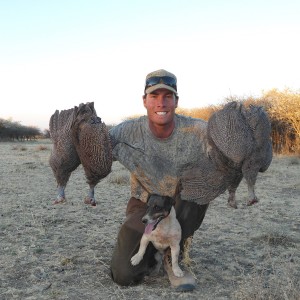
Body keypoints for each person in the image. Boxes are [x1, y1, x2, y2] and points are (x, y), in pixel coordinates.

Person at [109, 69, 209, 291]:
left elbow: (226, 152)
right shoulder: (126, 131)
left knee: (200, 186)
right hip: (144, 204)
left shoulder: (198, 130)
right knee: (123, 274)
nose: (161, 103)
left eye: (167, 96)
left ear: (176, 101)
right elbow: (99, 153)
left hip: (181, 204)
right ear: (144, 101)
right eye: (154, 96)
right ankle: (153, 246)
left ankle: (172, 256)